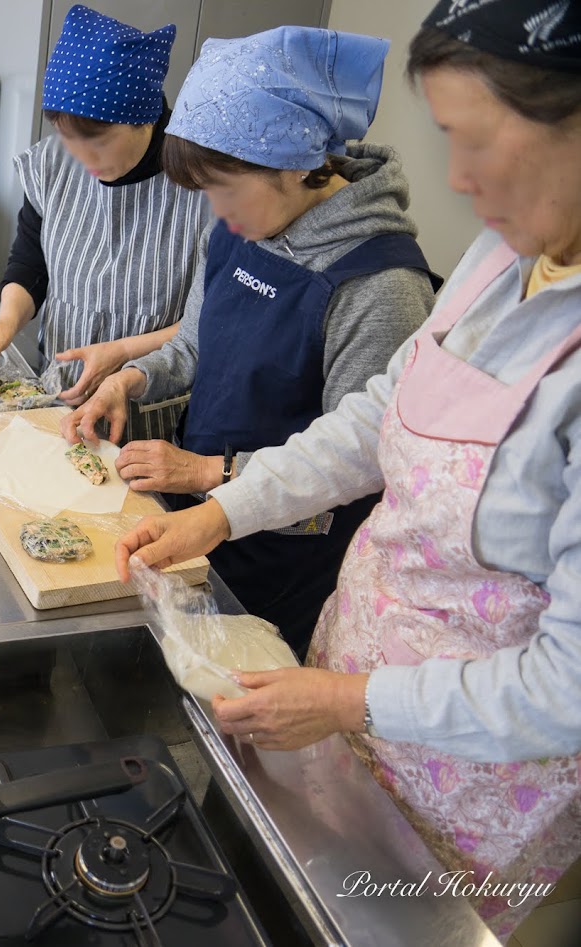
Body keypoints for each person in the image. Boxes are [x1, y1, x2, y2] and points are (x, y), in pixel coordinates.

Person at [116, 2, 581, 935]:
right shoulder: (505, 258)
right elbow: (372, 421)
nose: (450, 178)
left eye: (472, 139)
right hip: (339, 688)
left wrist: (346, 700)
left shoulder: (400, 284)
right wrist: (221, 511)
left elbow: (566, 686)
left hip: (466, 778)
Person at [63, 25, 440, 655]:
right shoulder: (243, 229)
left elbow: (364, 469)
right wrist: (130, 379)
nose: (215, 211)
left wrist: (211, 473)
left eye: (222, 188)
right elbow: (196, 343)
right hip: (198, 530)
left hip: (288, 574)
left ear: (295, 166)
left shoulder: (379, 286)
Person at [0, 5, 211, 406]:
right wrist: (6, 320)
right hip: (57, 396)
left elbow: (212, 319)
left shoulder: (204, 187)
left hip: (153, 409)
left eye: (96, 143)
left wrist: (125, 352)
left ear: (143, 119)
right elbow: (30, 262)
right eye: (66, 139)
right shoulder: (52, 162)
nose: (79, 158)